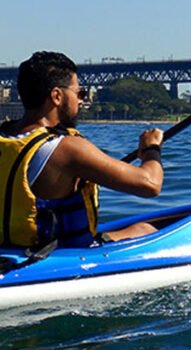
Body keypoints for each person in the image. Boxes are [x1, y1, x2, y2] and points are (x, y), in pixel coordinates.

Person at [0, 51, 164, 249]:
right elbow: (151, 184)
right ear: (57, 96)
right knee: (145, 229)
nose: (82, 101)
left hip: (9, 250)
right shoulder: (68, 148)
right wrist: (151, 149)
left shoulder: (5, 137)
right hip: (54, 256)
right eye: (80, 93)